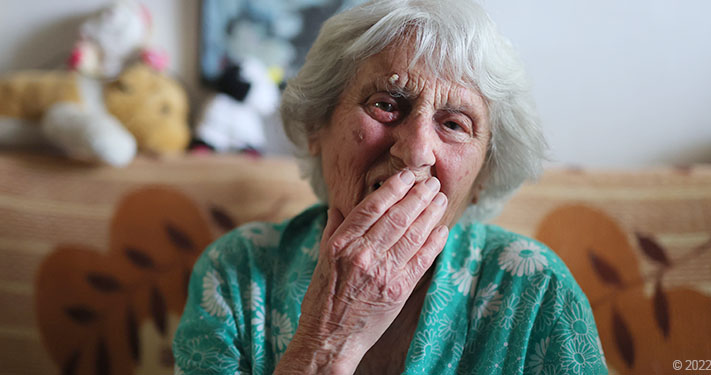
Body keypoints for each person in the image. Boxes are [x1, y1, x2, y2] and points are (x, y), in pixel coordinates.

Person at [173, 0, 608, 374]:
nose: (416, 151)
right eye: (385, 104)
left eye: (454, 124)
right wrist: (326, 341)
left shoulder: (534, 288)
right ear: (316, 128)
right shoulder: (237, 272)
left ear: (483, 177)